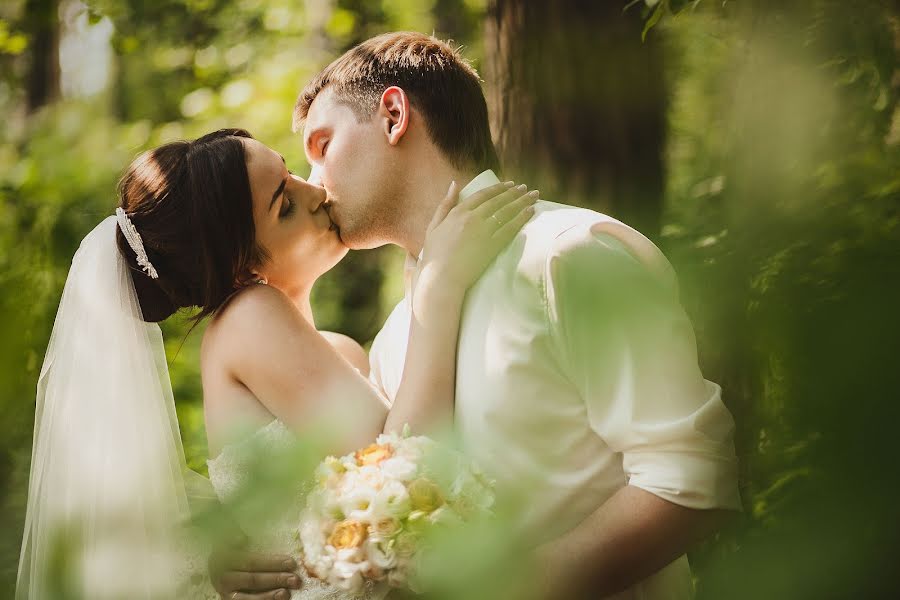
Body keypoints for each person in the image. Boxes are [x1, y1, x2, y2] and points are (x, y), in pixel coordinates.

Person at [249, 31, 739, 600]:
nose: (312, 182)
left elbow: (694, 478)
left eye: (323, 144)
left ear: (392, 114)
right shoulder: (396, 338)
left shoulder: (568, 255)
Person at [16, 127, 535, 600]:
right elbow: (410, 464)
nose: (316, 194)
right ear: (240, 266)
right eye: (284, 205)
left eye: (290, 173)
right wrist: (440, 286)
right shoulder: (247, 318)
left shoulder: (337, 351)